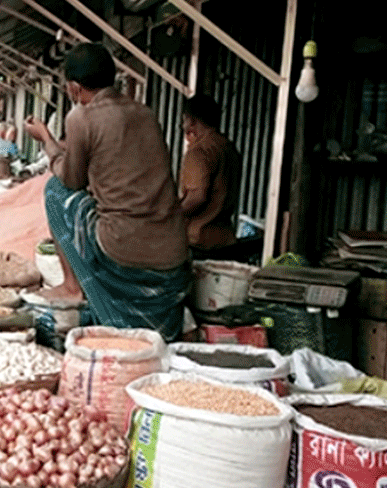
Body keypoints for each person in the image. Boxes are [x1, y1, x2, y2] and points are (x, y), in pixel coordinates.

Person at [25, 43, 190, 339]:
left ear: (74, 88)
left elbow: (71, 179)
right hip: (173, 251)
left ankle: (73, 286)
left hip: (122, 247)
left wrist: (46, 140)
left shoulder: (80, 117)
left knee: (54, 190)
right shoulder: (145, 113)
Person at [179, 95, 241, 250]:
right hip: (225, 238)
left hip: (198, 239)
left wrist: (168, 215)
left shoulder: (199, 151)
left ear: (191, 120)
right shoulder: (228, 147)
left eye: (184, 120)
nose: (183, 125)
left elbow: (197, 197)